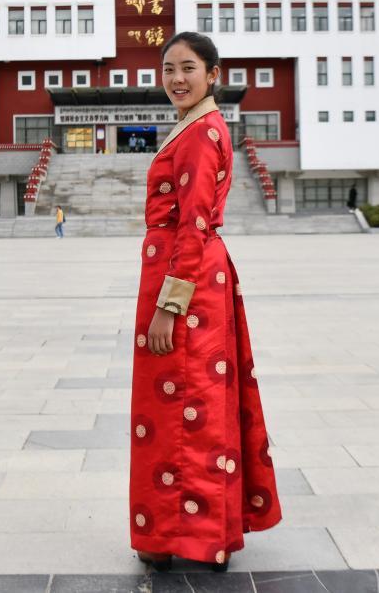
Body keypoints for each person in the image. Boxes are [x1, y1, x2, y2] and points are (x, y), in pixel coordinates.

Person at [130, 31, 282, 573]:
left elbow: (193, 225)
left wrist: (169, 306)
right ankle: (206, 532)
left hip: (184, 280)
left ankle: (178, 535)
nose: (176, 79)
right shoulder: (199, 126)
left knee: (180, 407)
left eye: (188, 68)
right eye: (168, 69)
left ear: (213, 74)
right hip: (193, 276)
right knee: (197, 404)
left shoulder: (199, 133)